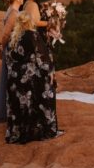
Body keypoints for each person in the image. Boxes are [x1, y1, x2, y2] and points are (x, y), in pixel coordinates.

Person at [5, 9, 61, 143]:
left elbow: (9, 59)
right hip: (30, 78)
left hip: (15, 79)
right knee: (46, 90)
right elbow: (43, 57)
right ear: (29, 22)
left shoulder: (13, 37)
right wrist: (51, 73)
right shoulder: (32, 35)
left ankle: (20, 132)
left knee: (21, 104)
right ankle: (44, 129)